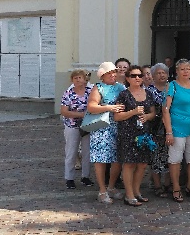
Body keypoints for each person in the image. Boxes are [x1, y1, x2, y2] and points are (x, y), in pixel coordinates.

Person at [114, 66, 156, 206]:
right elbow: (117, 116)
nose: (137, 78)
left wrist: (148, 116)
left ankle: (137, 191)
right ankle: (129, 194)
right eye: (133, 76)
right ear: (127, 78)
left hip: (144, 133)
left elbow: (153, 112)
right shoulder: (123, 95)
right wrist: (133, 112)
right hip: (128, 133)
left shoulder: (148, 93)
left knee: (143, 164)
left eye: (139, 75)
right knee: (129, 163)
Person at [162, 58, 190, 203]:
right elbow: (165, 109)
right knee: (175, 159)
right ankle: (176, 188)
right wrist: (168, 131)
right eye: (182, 69)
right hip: (176, 128)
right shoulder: (172, 86)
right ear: (177, 71)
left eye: (188, 69)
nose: (185, 72)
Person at [87, 62, 126, 204]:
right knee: (101, 159)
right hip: (102, 127)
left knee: (117, 158)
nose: (113, 75)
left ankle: (111, 186)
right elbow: (91, 106)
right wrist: (109, 107)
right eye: (110, 73)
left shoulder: (121, 87)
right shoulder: (98, 88)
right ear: (103, 75)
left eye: (114, 72)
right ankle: (102, 190)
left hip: (118, 126)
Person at [60, 69, 93, 189]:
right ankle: (69, 178)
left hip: (88, 125)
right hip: (72, 126)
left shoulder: (91, 91)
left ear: (85, 79)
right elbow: (64, 111)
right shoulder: (68, 93)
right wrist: (80, 115)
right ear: (72, 80)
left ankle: (86, 176)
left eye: (80, 77)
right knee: (71, 151)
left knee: (87, 152)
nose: (78, 80)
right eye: (75, 78)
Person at [146, 63, 171, 197]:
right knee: (155, 157)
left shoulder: (171, 88)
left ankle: (167, 184)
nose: (162, 75)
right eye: (158, 73)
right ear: (153, 76)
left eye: (164, 73)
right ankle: (157, 185)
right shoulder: (148, 90)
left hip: (171, 126)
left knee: (169, 156)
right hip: (154, 128)